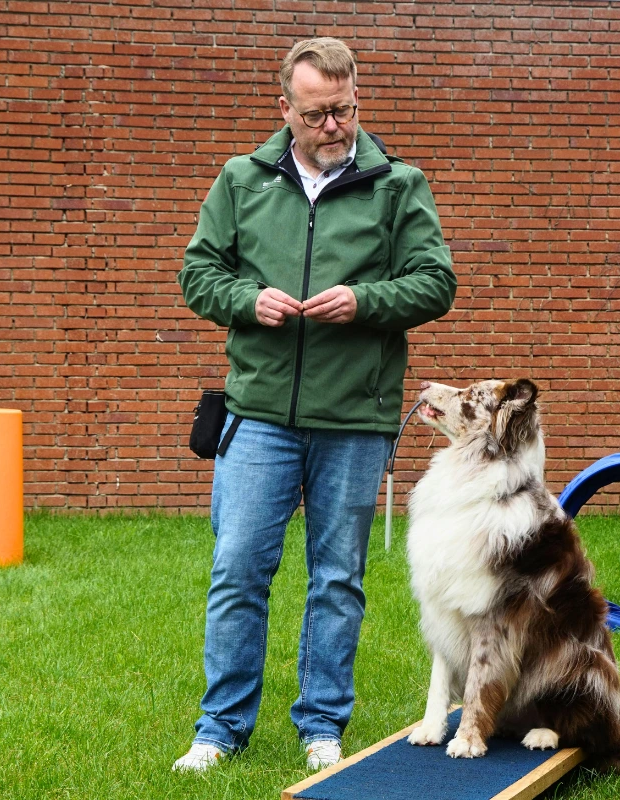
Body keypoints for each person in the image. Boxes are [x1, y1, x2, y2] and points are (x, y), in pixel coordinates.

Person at [173, 37, 456, 773]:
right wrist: (247, 300)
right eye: (316, 114)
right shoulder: (241, 179)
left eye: (344, 110)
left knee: (337, 580)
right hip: (258, 415)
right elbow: (198, 273)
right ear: (285, 109)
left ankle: (321, 725)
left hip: (356, 418)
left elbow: (436, 283)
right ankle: (219, 729)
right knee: (238, 570)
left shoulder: (398, 185)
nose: (333, 126)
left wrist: (364, 301)